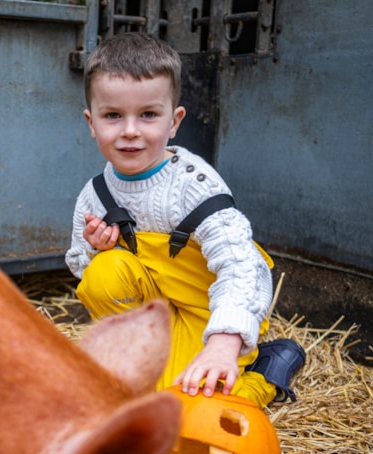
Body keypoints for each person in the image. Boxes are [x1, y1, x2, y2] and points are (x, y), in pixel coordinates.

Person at [65, 32, 304, 407]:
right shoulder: (94, 194)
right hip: (152, 312)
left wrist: (223, 344)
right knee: (103, 273)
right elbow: (81, 269)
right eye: (113, 115)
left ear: (174, 121)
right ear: (91, 122)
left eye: (148, 114)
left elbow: (241, 265)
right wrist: (97, 251)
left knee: (196, 404)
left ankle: (265, 373)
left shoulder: (194, 186)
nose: (130, 130)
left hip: (206, 311)